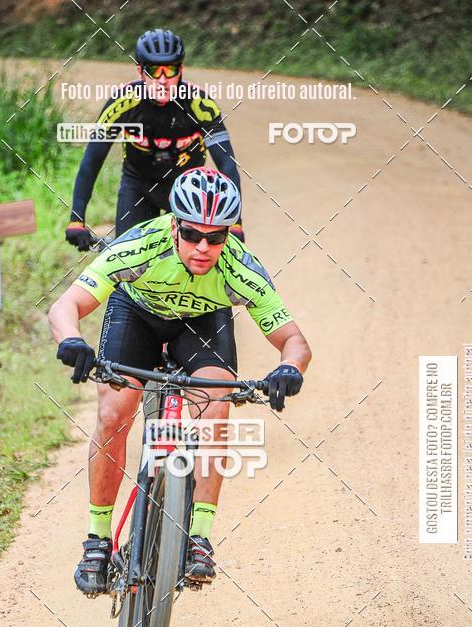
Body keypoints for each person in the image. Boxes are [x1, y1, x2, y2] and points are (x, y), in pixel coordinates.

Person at [49, 168, 311, 596]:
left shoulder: (239, 267)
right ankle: (97, 540)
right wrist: (72, 341)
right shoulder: (139, 245)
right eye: (192, 234)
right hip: (137, 315)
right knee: (115, 412)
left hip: (202, 324)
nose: (204, 247)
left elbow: (293, 339)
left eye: (216, 236)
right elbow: (67, 305)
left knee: (216, 404)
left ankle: (200, 538)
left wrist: (290, 368)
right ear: (174, 225)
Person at [65, 27, 244, 248]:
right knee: (126, 260)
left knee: (194, 260)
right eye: (153, 71)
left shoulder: (199, 104)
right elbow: (92, 160)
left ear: (181, 71)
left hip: (187, 189)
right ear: (140, 72)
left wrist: (235, 223)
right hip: (138, 185)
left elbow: (227, 163)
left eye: (169, 71)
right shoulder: (124, 103)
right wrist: (77, 219)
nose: (162, 80)